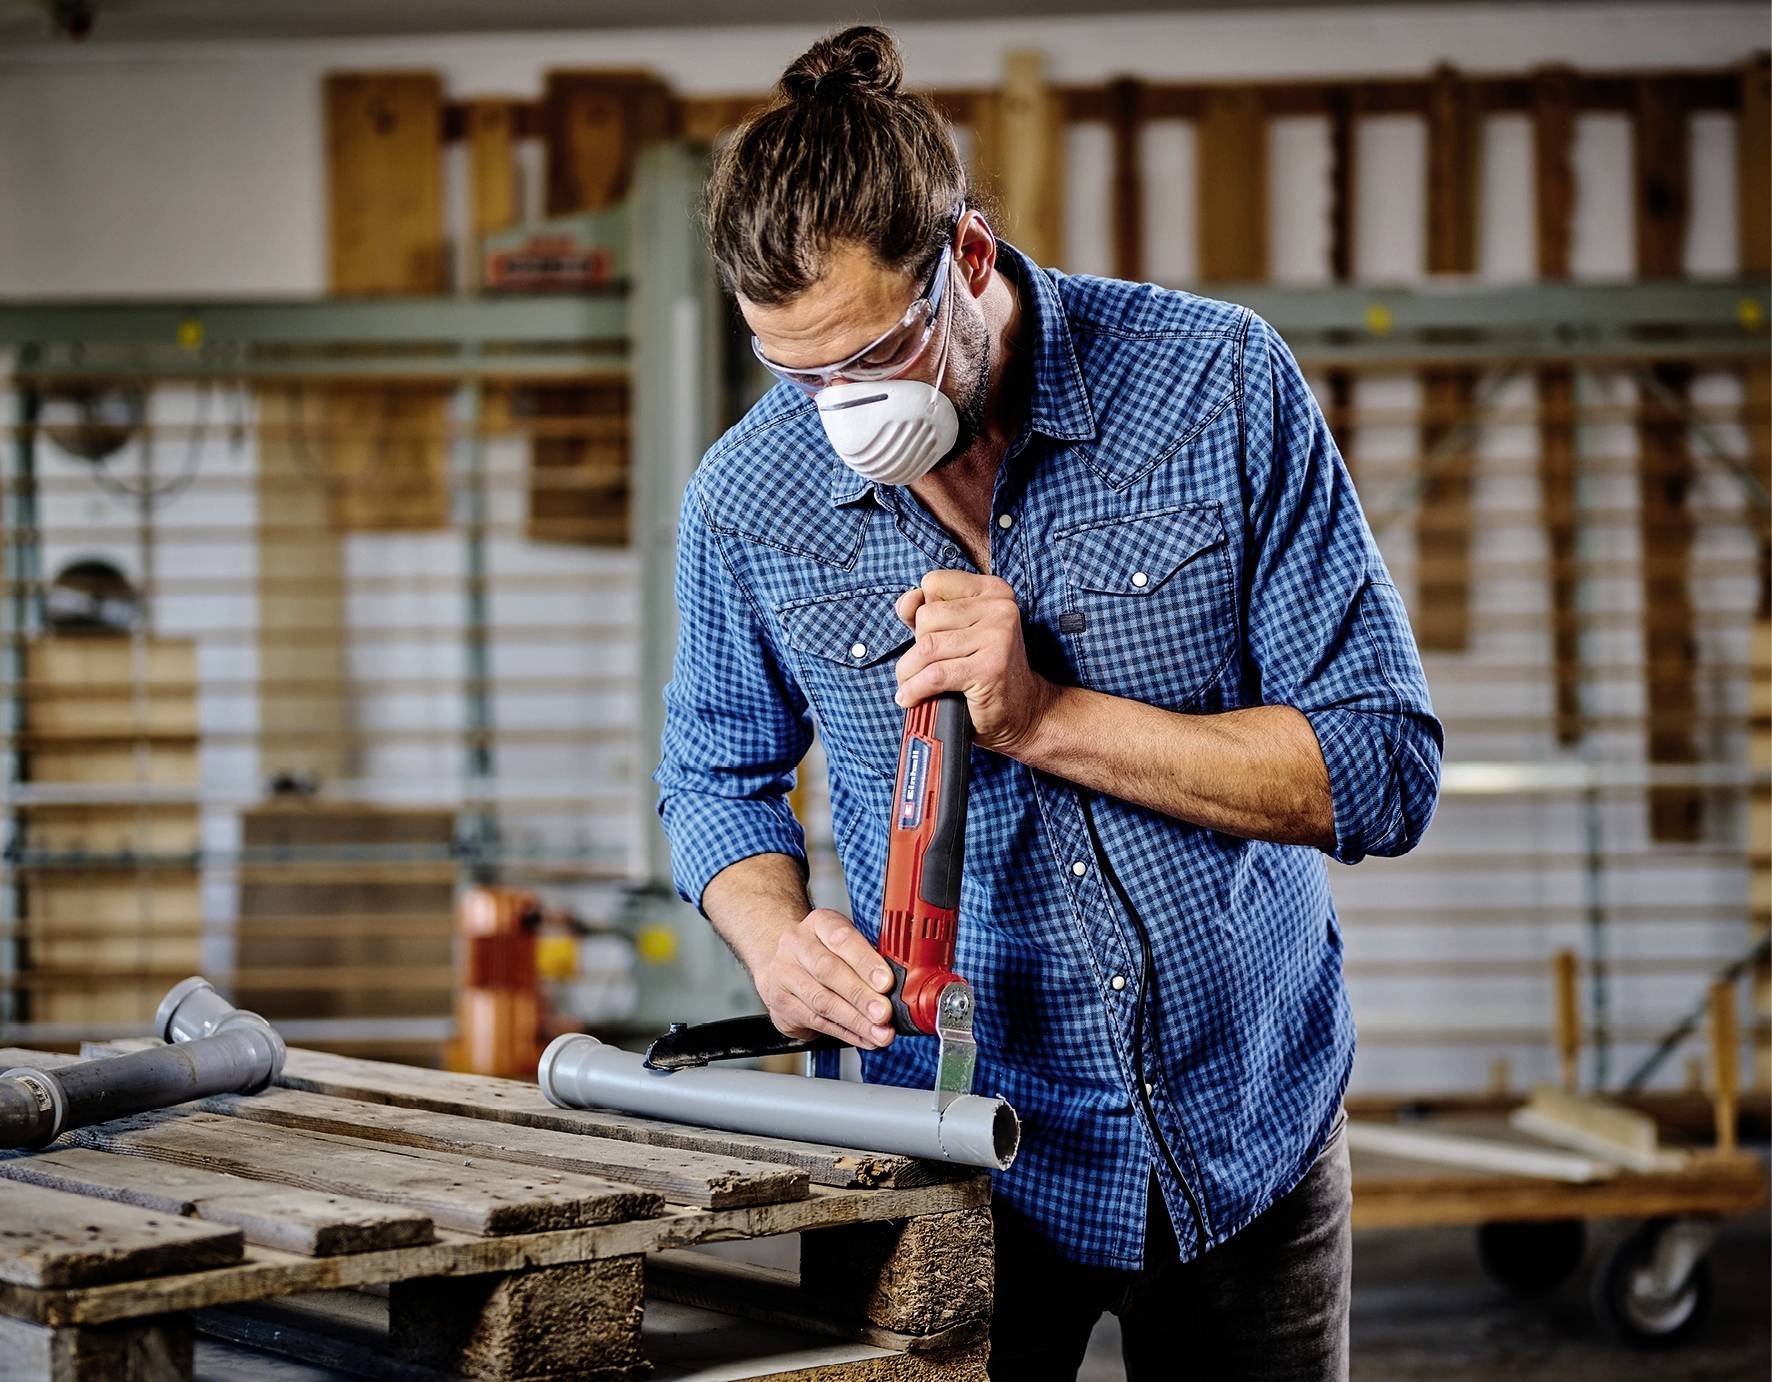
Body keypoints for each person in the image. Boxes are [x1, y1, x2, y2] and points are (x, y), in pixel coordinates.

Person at [656, 26, 1442, 1382]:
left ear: (967, 256)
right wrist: (775, 938)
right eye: (798, 374)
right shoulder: (747, 496)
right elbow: (711, 778)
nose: (843, 413)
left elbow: (1381, 767)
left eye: (875, 356)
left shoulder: (1215, 386)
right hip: (933, 1159)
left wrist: (1040, 718)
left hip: (1240, 1134)